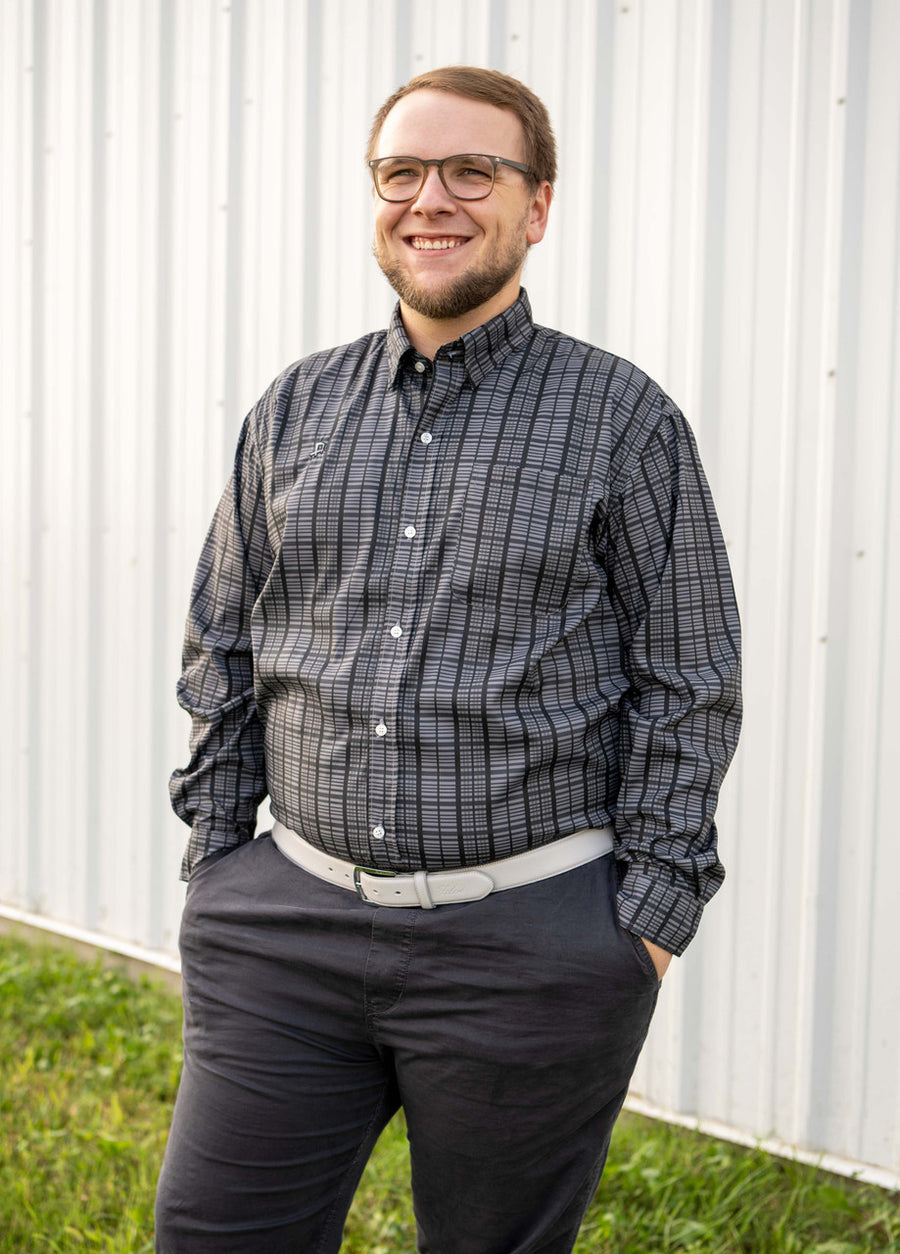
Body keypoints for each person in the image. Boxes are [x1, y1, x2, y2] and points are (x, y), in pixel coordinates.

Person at [155, 65, 742, 1254]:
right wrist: (220, 862)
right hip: (285, 929)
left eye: (475, 169)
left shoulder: (621, 418)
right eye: (403, 172)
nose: (434, 198)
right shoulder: (295, 409)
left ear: (537, 205)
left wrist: (647, 922)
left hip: (532, 949)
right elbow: (223, 640)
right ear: (375, 198)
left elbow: (692, 677)